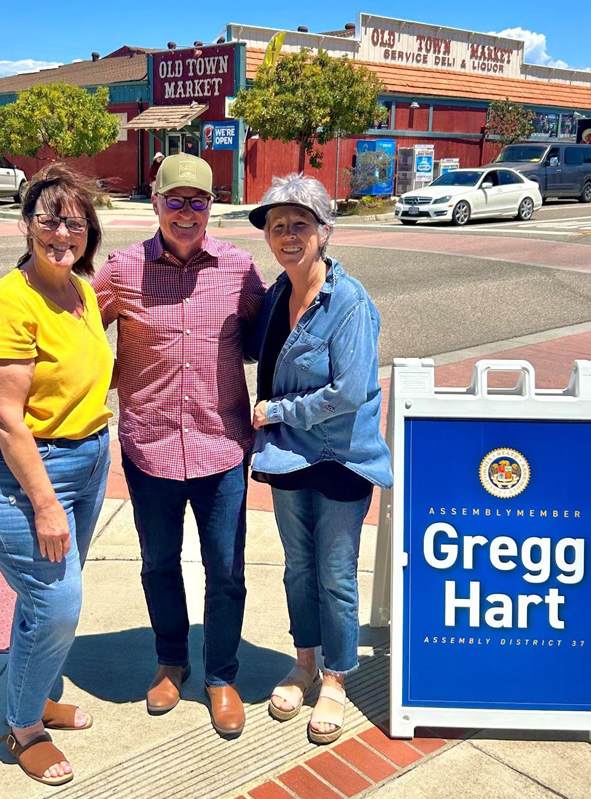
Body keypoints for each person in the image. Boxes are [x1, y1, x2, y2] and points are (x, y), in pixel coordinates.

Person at [93, 153, 266, 738]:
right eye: (176, 200)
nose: (187, 213)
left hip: (221, 448)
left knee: (226, 570)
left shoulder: (240, 269)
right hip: (151, 446)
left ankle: (221, 675)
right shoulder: (120, 270)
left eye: (199, 202)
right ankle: (171, 661)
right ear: (156, 203)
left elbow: (271, 339)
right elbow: (76, 330)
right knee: (160, 564)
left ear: (211, 207)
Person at [0, 163, 113, 786]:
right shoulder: (8, 301)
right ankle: (24, 727)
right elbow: (4, 416)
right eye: (50, 219)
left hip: (88, 454)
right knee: (56, 602)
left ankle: (41, 693)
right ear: (25, 224)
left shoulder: (81, 290)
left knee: (46, 597)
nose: (63, 233)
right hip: (24, 471)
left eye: (76, 223)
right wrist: (45, 503)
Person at [246, 174, 392, 745]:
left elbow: (349, 392)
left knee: (334, 573)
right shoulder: (278, 293)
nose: (287, 235)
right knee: (298, 567)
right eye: (277, 226)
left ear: (324, 232)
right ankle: (303, 663)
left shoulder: (349, 302)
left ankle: (337, 676)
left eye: (300, 224)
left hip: (339, 456)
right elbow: (246, 346)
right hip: (288, 457)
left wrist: (278, 411)